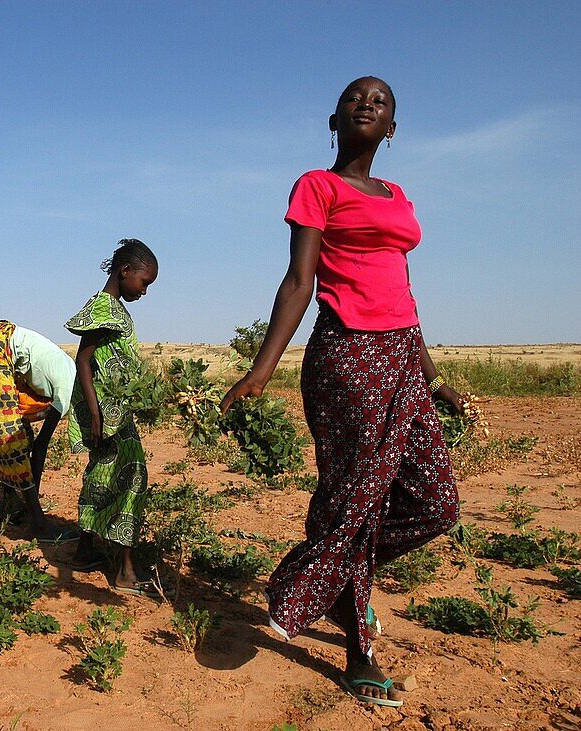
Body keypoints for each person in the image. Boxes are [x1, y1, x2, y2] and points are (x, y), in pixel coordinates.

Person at [219, 77, 460, 707]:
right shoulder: (316, 185)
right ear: (335, 117)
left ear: (392, 128)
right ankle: (358, 653)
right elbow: (299, 280)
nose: (367, 105)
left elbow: (402, 289)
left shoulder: (396, 195)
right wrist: (260, 371)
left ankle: (316, 583)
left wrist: (431, 377)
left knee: (436, 503)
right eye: (356, 98)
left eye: (381, 102)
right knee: (357, 499)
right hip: (348, 356)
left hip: (402, 352)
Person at [65, 239, 160, 596]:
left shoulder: (112, 308)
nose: (145, 290)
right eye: (144, 282)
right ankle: (126, 571)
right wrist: (94, 412)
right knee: (133, 475)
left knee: (102, 474)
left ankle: (85, 550)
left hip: (114, 413)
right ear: (125, 272)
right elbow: (83, 360)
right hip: (108, 415)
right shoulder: (103, 309)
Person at [0, 321, 79, 542]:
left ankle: (12, 506)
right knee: (11, 436)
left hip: (0, 340)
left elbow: (38, 412)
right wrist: (34, 502)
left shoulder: (71, 375)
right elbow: (41, 447)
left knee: (21, 431)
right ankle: (37, 523)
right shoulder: (68, 393)